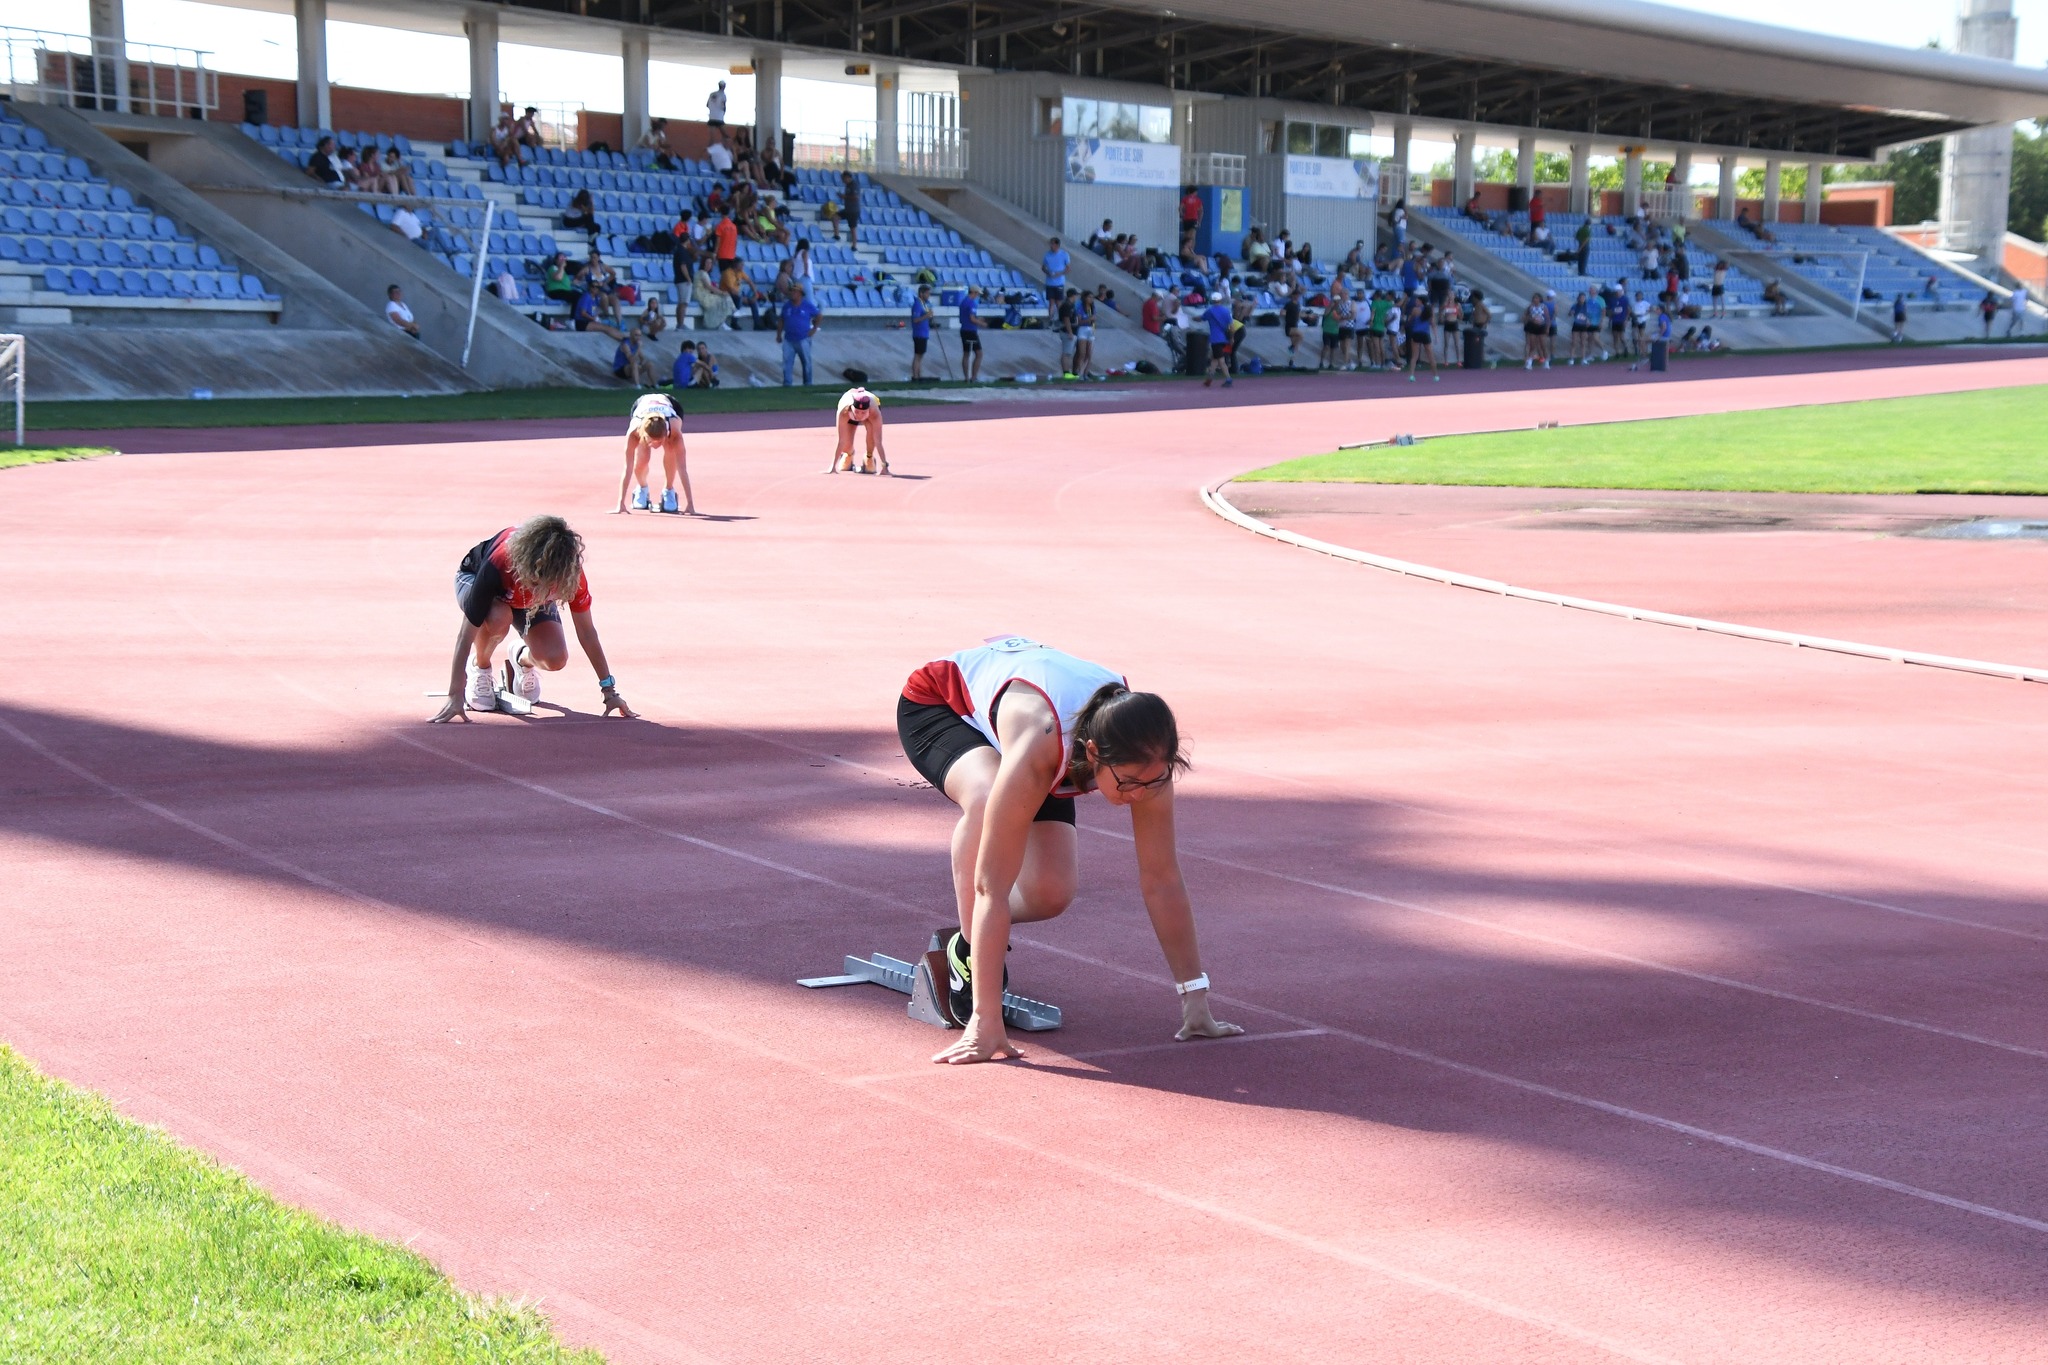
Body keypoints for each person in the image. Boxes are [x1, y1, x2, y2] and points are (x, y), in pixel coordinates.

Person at [896, 637, 1242, 1062]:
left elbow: (1162, 878)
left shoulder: (1147, 759)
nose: (1140, 794)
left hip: (1038, 726)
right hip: (942, 705)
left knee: (1051, 892)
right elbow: (992, 887)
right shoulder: (1043, 744)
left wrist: (1195, 999)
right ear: (1093, 754)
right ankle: (967, 951)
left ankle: (974, 942)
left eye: (1152, 782)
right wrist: (986, 1021)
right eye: (1128, 783)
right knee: (988, 800)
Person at [430, 516, 635, 723]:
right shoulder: (498, 563)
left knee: (555, 659)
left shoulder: (570, 575)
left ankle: (520, 658)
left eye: (548, 585)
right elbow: (465, 636)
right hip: (477, 580)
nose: (539, 589)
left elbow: (587, 633)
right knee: (499, 617)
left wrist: (609, 690)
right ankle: (480, 667)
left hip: (521, 597)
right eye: (537, 581)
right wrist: (455, 694)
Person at [615, 391, 695, 515]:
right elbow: (627, 467)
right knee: (643, 458)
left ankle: (669, 490)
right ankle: (642, 488)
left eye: (660, 441)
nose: (656, 446)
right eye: (652, 441)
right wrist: (620, 503)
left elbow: (682, 468)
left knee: (670, 449)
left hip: (671, 405)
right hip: (641, 405)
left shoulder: (674, 428)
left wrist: (690, 503)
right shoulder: (634, 431)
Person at [827, 386, 889, 475]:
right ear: (852, 407)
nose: (859, 415)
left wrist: (884, 466)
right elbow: (841, 440)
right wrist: (832, 467)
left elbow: (878, 441)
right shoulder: (843, 411)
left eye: (863, 412)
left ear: (868, 409)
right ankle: (849, 454)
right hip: (849, 414)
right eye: (857, 411)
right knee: (846, 445)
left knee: (872, 436)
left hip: (870, 414)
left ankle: (869, 457)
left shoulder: (874, 411)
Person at [781, 282, 820, 385]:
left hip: (803, 338)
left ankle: (808, 383)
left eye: (795, 291)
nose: (793, 293)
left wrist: (814, 328)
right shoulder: (786, 306)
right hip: (788, 338)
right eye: (792, 291)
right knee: (787, 363)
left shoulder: (807, 305)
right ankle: (787, 383)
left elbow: (819, 315)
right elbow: (782, 319)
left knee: (806, 362)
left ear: (800, 293)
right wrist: (778, 333)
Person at [1201, 292, 1233, 387]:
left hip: (1216, 339)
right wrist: (1231, 337)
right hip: (1224, 338)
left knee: (1220, 360)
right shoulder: (1226, 311)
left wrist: (1194, 318)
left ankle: (1228, 378)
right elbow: (1231, 326)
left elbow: (1202, 318)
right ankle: (1209, 378)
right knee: (1214, 359)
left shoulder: (1210, 311)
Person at [1404, 293, 1437, 382]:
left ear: (1421, 302)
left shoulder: (1415, 310)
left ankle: (1411, 375)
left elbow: (1410, 320)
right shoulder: (1430, 310)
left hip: (1416, 333)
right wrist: (1435, 335)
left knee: (1414, 356)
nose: (1416, 302)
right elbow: (1432, 323)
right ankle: (1435, 375)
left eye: (1417, 300)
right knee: (1430, 355)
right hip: (1425, 333)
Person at [957, 285, 983, 382]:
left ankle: (966, 377)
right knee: (979, 353)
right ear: (973, 292)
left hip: (964, 329)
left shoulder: (963, 302)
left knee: (966, 353)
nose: (977, 296)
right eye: (977, 293)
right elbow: (972, 319)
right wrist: (981, 323)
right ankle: (973, 377)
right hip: (970, 330)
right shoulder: (971, 303)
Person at [908, 283, 934, 380]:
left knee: (921, 355)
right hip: (919, 333)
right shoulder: (917, 305)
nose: (928, 296)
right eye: (927, 293)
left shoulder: (924, 305)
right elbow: (915, 319)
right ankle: (915, 375)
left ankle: (918, 374)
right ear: (922, 293)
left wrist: (929, 317)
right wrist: (926, 316)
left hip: (924, 332)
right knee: (918, 355)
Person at [840, 170, 862, 248]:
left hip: (853, 211)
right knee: (835, 216)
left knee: (852, 228)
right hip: (847, 209)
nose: (842, 180)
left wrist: (844, 197)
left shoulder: (854, 185)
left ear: (847, 178)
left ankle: (854, 245)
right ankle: (836, 235)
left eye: (843, 178)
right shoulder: (847, 186)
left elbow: (856, 197)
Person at [1179, 186, 1202, 251]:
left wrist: (1182, 215)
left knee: (1186, 236)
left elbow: (1180, 208)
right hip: (1193, 219)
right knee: (1193, 237)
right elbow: (1201, 211)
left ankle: (1184, 250)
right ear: (1194, 192)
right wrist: (1199, 221)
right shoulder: (1198, 200)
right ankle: (1191, 251)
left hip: (1186, 220)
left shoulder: (1185, 199)